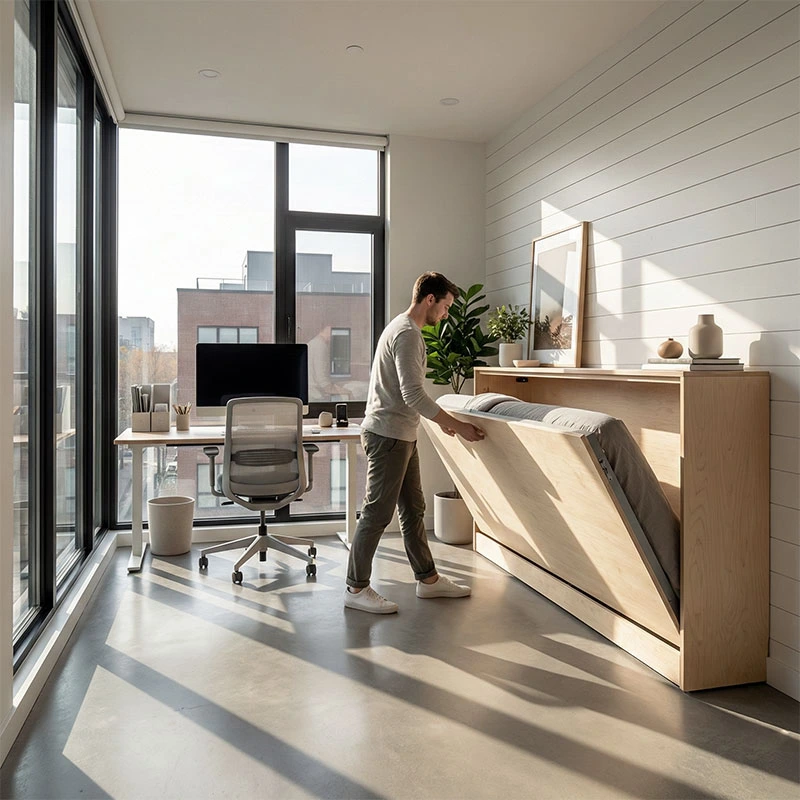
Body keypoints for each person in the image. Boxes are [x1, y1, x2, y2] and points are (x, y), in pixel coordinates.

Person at [344, 272, 485, 614]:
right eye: (446, 306)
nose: (447, 314)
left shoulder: (405, 329)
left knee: (413, 510)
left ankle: (429, 580)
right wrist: (458, 426)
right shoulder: (407, 333)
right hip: (388, 436)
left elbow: (408, 395)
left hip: (402, 435)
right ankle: (355, 587)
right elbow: (412, 395)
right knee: (377, 513)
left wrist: (444, 424)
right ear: (429, 299)